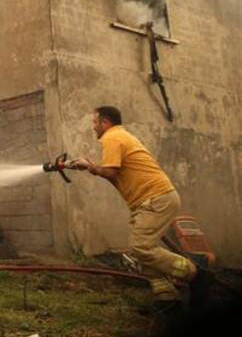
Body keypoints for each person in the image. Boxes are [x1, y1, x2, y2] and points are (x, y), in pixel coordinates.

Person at [68, 106, 212, 313]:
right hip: (152, 200)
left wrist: (89, 166)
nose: (93, 127)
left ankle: (196, 274)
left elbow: (109, 172)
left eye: (95, 122)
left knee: (141, 248)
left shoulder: (112, 137)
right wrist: (88, 165)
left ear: (105, 123)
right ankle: (167, 299)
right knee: (145, 252)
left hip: (156, 199)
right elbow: (115, 175)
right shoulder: (121, 136)